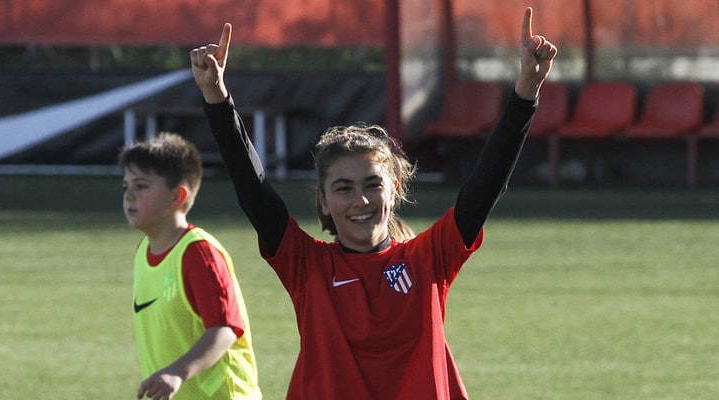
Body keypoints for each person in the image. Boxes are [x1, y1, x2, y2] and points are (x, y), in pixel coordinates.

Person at [190, 7, 556, 399]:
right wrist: (217, 97)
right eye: (343, 188)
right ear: (324, 201)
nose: (360, 199)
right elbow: (254, 191)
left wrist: (525, 94)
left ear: (394, 189)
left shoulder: (428, 258)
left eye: (372, 184)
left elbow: (486, 186)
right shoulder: (307, 266)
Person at [120, 132, 262, 400]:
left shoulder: (198, 253)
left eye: (141, 185)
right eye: (125, 185)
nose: (129, 195)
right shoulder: (143, 251)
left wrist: (177, 372)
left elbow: (225, 329)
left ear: (178, 196)